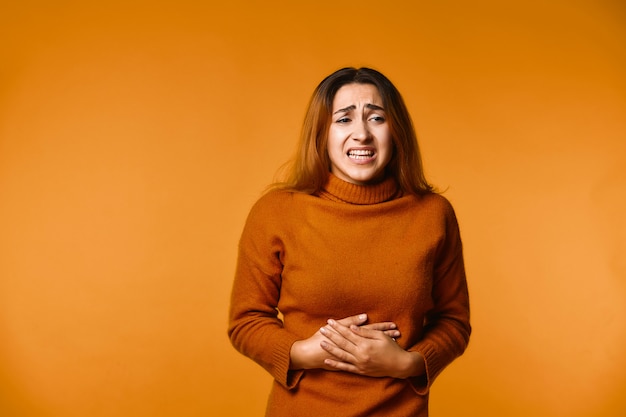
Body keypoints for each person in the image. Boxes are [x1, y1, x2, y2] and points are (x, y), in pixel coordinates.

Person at [228, 67, 471, 417]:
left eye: (376, 118)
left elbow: (454, 321)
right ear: (322, 133)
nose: (361, 134)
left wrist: (406, 364)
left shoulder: (433, 214)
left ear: (396, 130)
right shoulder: (276, 212)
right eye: (343, 119)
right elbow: (246, 320)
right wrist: (307, 352)